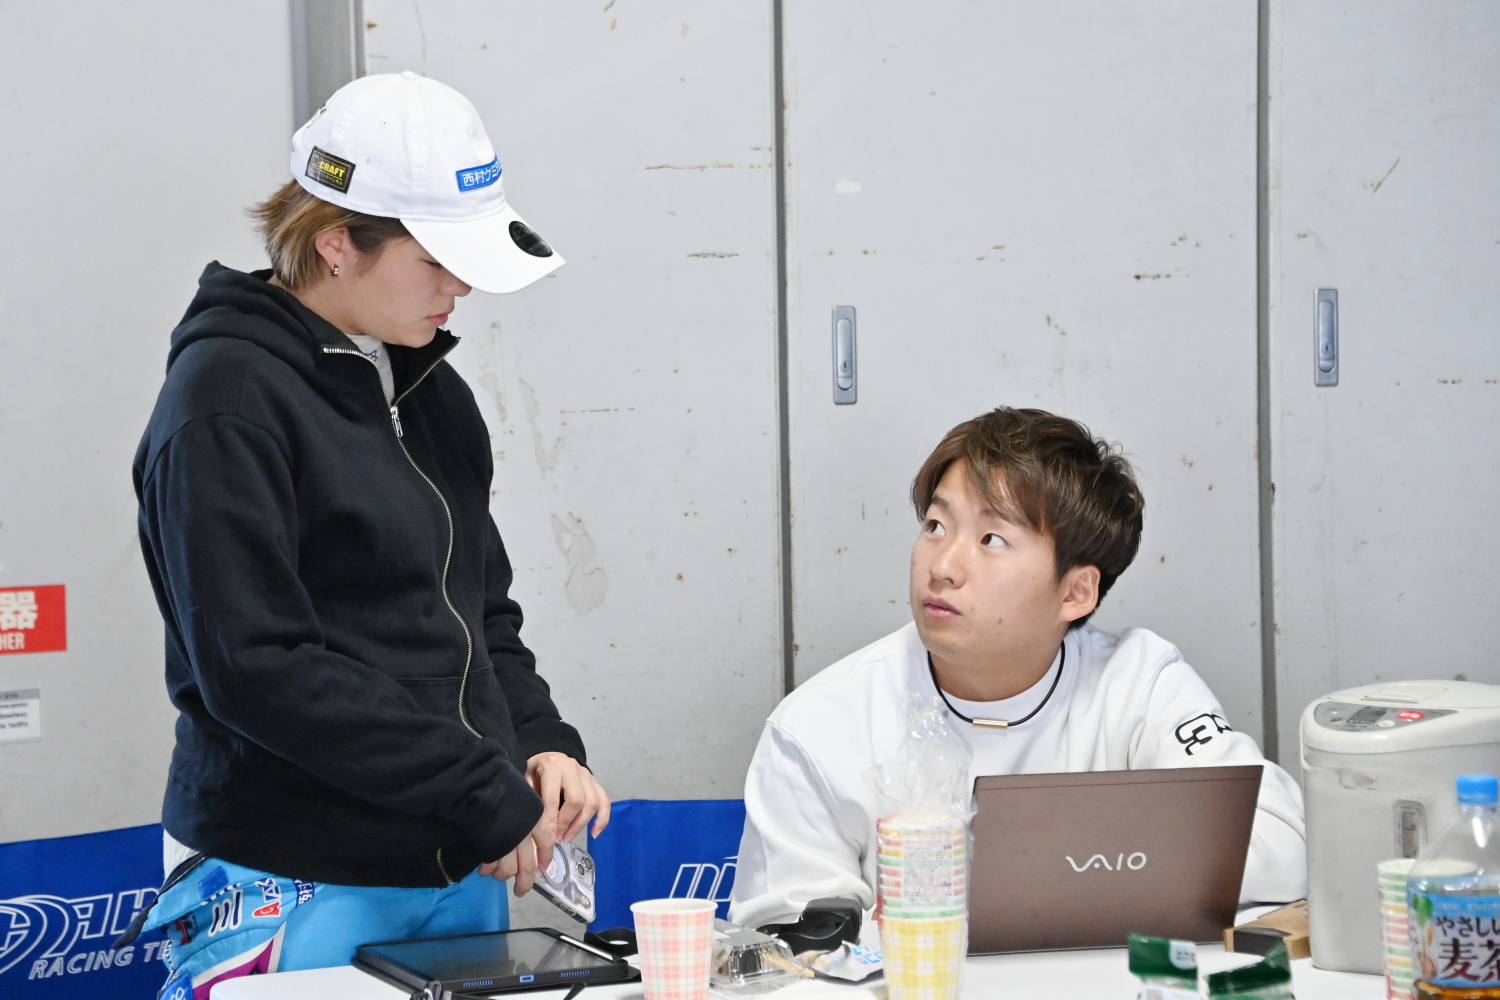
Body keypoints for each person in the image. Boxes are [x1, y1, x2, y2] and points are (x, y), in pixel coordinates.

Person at [126, 72, 608, 996]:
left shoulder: (431, 391)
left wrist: (541, 743)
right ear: (337, 243)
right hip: (292, 872)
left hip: (461, 858)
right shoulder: (225, 402)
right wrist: (478, 787)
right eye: (435, 261)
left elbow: (481, 612)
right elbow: (258, 667)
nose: (460, 286)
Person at [728, 407, 1306, 930]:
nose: (943, 566)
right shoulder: (820, 724)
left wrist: (1043, 863)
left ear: (1075, 592)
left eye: (992, 539)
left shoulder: (1139, 683)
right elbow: (787, 948)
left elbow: (1280, 843)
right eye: (936, 526)